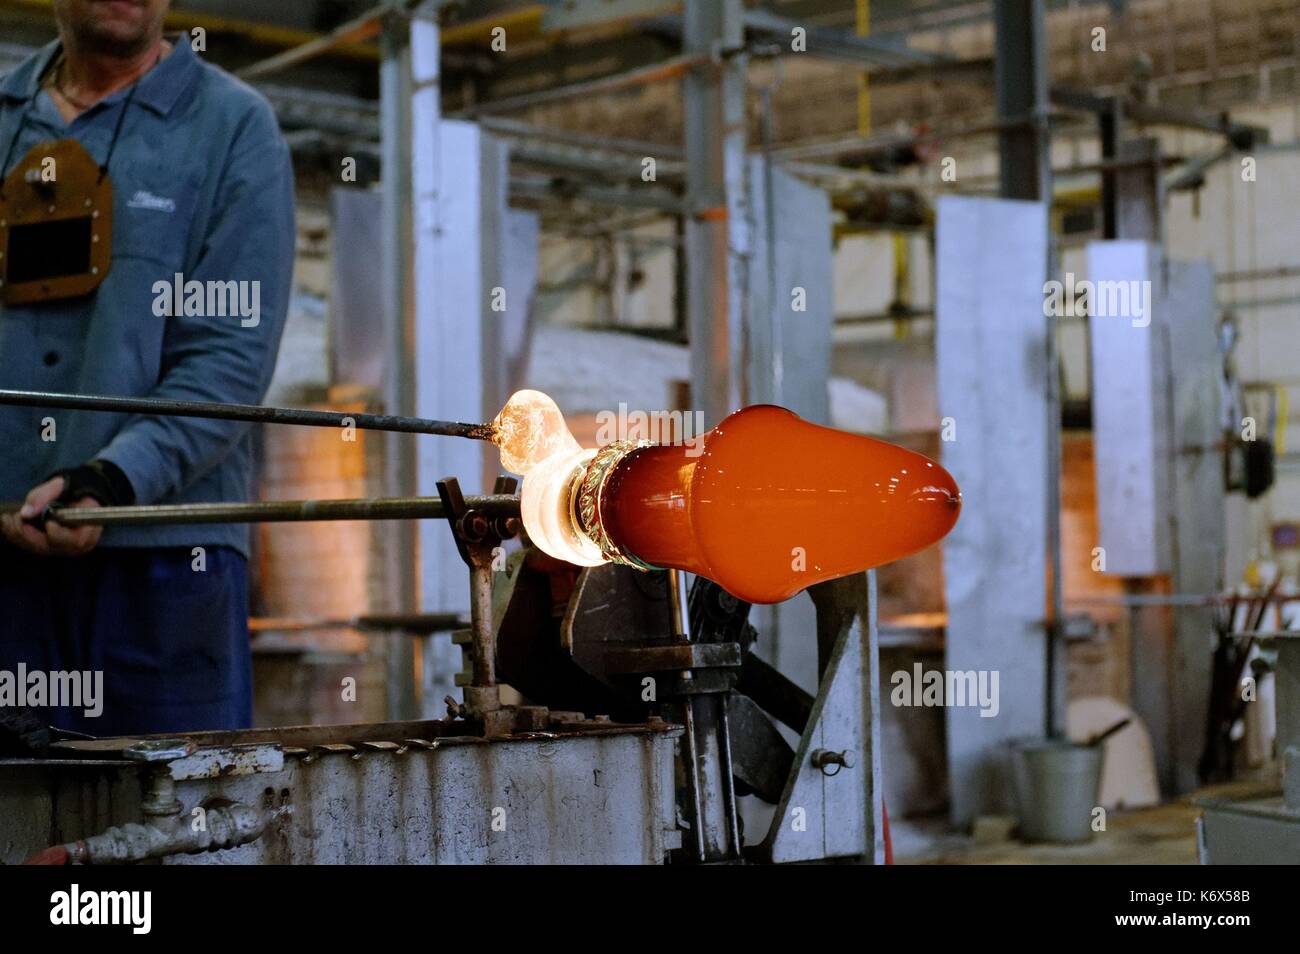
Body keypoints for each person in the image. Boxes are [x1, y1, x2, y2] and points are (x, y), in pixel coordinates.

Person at [0, 0, 295, 735]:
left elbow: (229, 356)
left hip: (165, 563)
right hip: (3, 559)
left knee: (172, 827)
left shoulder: (232, 128)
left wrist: (112, 481)